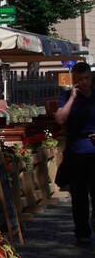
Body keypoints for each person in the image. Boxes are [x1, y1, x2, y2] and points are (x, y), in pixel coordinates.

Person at [55, 61, 95, 244]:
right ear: (74, 80)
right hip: (77, 151)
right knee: (79, 196)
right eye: (79, 79)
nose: (84, 82)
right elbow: (60, 119)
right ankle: (82, 232)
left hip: (94, 151)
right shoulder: (67, 97)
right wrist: (72, 98)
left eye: (86, 78)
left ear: (91, 77)